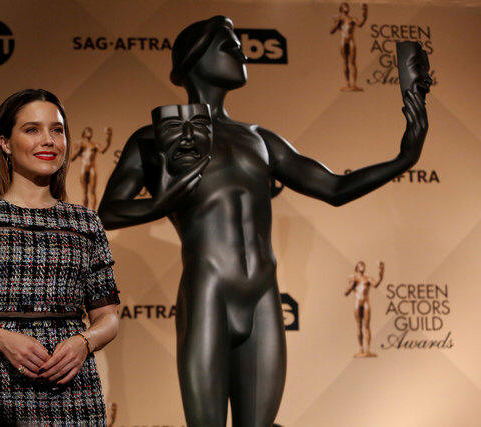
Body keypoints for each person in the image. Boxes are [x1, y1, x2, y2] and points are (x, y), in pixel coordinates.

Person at [98, 16, 428, 425]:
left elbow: (334, 188)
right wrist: (161, 203)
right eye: (230, 45)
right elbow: (107, 212)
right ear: (195, 57)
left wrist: (404, 158)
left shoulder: (259, 139)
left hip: (262, 298)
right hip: (208, 294)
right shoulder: (154, 140)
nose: (242, 52)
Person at [0, 89, 120, 426]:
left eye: (57, 130)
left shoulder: (86, 222)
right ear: (5, 143)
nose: (49, 140)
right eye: (32, 130)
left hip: (74, 389)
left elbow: (109, 318)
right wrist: (2, 339)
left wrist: (84, 343)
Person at [345, 261, 384, 357]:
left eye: (363, 265)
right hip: (358, 303)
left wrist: (381, 272)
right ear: (357, 267)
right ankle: (361, 349)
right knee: (359, 326)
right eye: (360, 265)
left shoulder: (368, 278)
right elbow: (346, 292)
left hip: (366, 302)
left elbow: (376, 284)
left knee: (367, 326)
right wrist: (352, 284)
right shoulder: (353, 278)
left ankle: (368, 349)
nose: (363, 266)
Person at [71, 126, 113, 210]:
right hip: (84, 168)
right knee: (84, 192)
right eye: (88, 131)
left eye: (91, 131)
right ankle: (84, 213)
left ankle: (93, 212)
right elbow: (72, 158)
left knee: (92, 192)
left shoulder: (94, 144)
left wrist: (109, 136)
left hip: (92, 168)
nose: (90, 133)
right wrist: (78, 151)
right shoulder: (80, 143)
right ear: (84, 133)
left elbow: (103, 149)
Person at [330, 3, 368, 91]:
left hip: (351, 40)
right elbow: (332, 31)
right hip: (343, 41)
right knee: (345, 62)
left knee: (352, 62)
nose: (346, 7)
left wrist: (364, 14)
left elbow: (360, 24)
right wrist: (337, 23)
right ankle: (347, 83)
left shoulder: (352, 19)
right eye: (344, 6)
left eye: (347, 6)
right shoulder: (339, 19)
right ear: (341, 9)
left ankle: (354, 84)